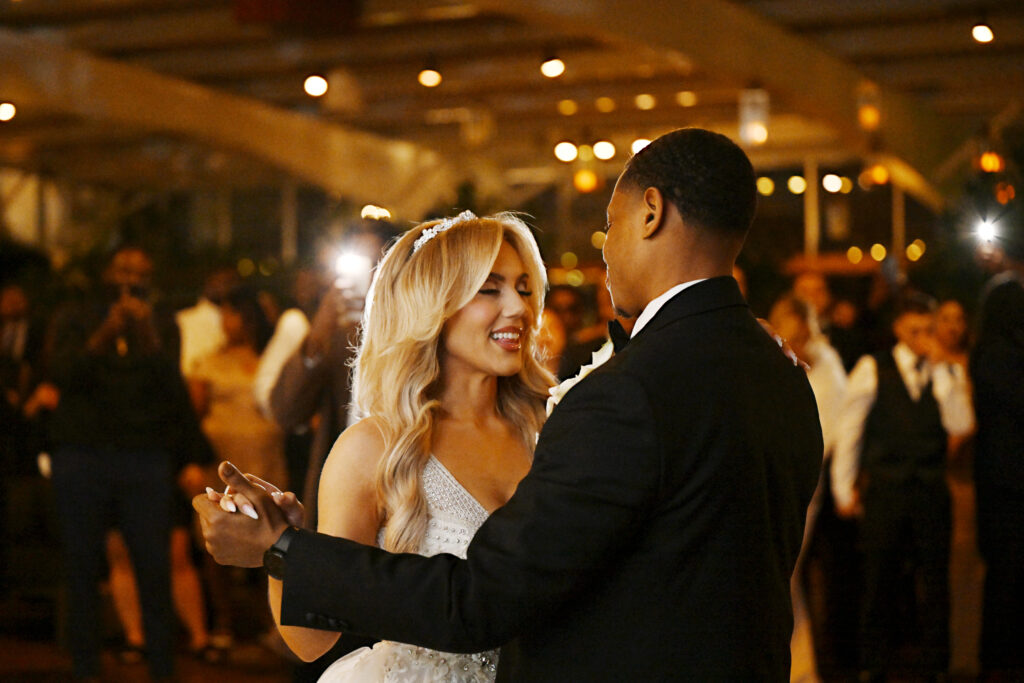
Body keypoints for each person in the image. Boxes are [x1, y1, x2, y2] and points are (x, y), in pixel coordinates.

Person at [196, 128, 824, 681]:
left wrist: (284, 550)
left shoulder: (574, 417)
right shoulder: (778, 376)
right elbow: (311, 641)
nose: (520, 308)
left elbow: (482, 600)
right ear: (433, 305)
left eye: (525, 287)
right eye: (489, 288)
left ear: (651, 212)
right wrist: (286, 554)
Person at [44, 244, 205, 680]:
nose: (130, 280)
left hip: (144, 459)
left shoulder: (164, 324)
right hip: (82, 456)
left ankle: (161, 667)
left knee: (154, 567)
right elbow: (60, 376)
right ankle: (84, 667)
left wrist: (148, 339)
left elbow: (173, 393)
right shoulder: (75, 318)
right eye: (122, 270)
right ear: (107, 273)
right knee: (81, 567)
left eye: (140, 273)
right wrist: (103, 335)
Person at [831, 291, 975, 681]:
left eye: (929, 329)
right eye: (916, 330)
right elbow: (851, 432)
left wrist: (945, 373)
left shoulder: (946, 371)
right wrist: (844, 489)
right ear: (898, 328)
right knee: (878, 581)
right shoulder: (872, 367)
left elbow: (960, 425)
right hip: (886, 491)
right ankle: (873, 665)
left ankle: (936, 667)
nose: (924, 337)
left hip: (930, 489)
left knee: (935, 584)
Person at [769, 294, 848, 683]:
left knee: (784, 577)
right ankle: (797, 668)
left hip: (802, 488)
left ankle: (798, 669)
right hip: (776, 483)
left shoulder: (826, 367)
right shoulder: (781, 361)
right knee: (781, 581)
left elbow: (827, 435)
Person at [970, 228, 1024, 682]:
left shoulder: (993, 352)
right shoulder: (997, 357)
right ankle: (999, 661)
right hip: (1007, 483)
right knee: (1007, 576)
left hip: (1003, 479)